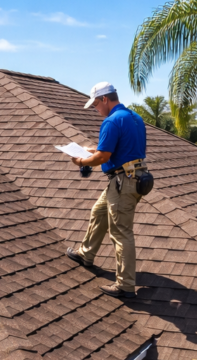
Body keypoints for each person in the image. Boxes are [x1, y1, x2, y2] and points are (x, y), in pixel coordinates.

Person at [65, 82, 148, 299]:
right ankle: (86, 254)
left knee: (121, 232)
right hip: (134, 178)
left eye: (95, 105)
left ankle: (126, 286)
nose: (95, 109)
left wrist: (82, 160)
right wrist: (92, 150)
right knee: (99, 212)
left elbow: (103, 157)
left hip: (123, 182)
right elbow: (123, 148)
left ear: (104, 99)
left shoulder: (111, 121)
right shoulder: (134, 118)